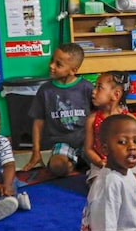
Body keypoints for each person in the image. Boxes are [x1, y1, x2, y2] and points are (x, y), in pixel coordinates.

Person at [22, 43, 94, 177]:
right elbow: (38, 123)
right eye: (52, 61)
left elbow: (98, 115)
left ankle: (77, 163)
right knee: (57, 167)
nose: (51, 66)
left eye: (58, 64)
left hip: (87, 141)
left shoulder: (86, 87)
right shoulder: (45, 91)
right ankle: (74, 164)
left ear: (73, 70)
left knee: (104, 163)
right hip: (62, 143)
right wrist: (36, 151)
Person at [82, 71, 131, 182]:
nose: (93, 91)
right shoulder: (92, 119)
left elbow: (135, 145)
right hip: (100, 163)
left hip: (125, 162)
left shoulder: (128, 120)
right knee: (96, 183)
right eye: (95, 86)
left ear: (116, 95)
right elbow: (88, 149)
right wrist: (100, 162)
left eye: (99, 87)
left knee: (132, 180)